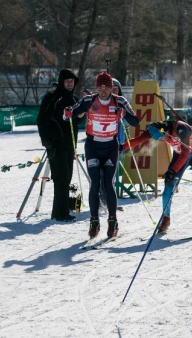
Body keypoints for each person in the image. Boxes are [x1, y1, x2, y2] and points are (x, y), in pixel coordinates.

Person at [64, 72, 139, 238]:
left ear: (112, 87)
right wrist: (68, 112)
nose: (103, 90)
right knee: (95, 183)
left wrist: (124, 114)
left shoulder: (119, 101)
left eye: (107, 86)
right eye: (100, 87)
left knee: (108, 183)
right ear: (96, 87)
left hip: (111, 147)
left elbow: (136, 121)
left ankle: (112, 221)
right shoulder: (88, 100)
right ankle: (94, 220)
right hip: (92, 146)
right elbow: (72, 113)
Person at [121, 120, 192, 234]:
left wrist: (173, 170)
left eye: (163, 138)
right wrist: (121, 147)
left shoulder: (182, 129)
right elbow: (138, 140)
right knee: (168, 185)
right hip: (179, 155)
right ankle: (165, 218)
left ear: (166, 131)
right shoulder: (156, 128)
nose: (163, 141)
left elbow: (185, 153)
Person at [37, 69, 79, 222]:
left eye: (72, 81)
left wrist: (80, 116)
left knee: (66, 179)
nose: (70, 83)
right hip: (55, 145)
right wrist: (46, 140)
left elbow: (75, 122)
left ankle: (61, 211)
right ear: (61, 81)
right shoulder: (52, 98)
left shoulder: (74, 98)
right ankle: (60, 213)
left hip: (69, 145)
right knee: (60, 179)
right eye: (67, 80)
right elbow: (41, 119)